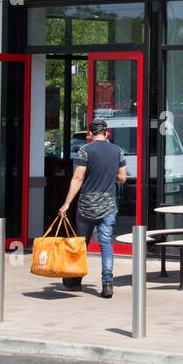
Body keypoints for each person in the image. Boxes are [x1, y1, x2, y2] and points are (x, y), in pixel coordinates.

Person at [57, 119, 127, 298]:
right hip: (108, 204)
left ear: (90, 134)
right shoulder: (118, 151)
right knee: (106, 244)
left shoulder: (85, 151)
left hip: (87, 204)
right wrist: (110, 176)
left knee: (82, 243)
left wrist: (66, 203)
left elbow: (78, 178)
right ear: (107, 133)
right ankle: (107, 283)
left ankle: (75, 280)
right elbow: (122, 177)